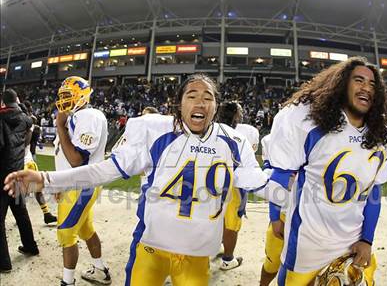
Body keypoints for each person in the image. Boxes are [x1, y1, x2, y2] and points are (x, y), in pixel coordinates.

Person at [4, 73, 286, 286]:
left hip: (197, 255)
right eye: (192, 95)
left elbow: (260, 183)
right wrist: (46, 179)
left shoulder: (233, 141)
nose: (200, 101)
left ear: (216, 106)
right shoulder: (155, 132)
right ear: (179, 104)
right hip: (153, 247)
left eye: (208, 96)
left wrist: (301, 197)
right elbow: (104, 170)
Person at [268, 57, 387, 285]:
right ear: (341, 84)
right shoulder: (307, 122)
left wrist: (367, 240)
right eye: (358, 80)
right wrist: (274, 217)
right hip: (307, 245)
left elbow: (374, 192)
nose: (366, 87)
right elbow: (280, 175)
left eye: (372, 84)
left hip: (352, 244)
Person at [53, 76, 111, 286]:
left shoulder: (89, 116)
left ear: (82, 95)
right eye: (62, 96)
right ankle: (100, 270)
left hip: (81, 184)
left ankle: (67, 283)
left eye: (68, 95)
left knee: (67, 234)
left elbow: (77, 159)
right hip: (74, 184)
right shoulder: (76, 117)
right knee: (86, 229)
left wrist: (60, 127)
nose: (64, 100)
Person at [217, 101, 260, 270]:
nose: (242, 115)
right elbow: (250, 165)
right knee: (232, 224)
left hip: (208, 183)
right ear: (235, 115)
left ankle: (210, 248)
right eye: (240, 112)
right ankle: (228, 259)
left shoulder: (208, 130)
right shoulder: (245, 134)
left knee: (213, 217)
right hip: (234, 184)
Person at [0, 89, 39, 273]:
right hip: (17, 171)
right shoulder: (24, 118)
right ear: (17, 100)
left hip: (2, 175)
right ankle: (30, 246)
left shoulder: (2, 117)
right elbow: (32, 123)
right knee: (20, 211)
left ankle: (4, 263)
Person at [22, 101, 57, 224]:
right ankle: (21, 215)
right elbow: (25, 143)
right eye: (29, 110)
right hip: (20, 160)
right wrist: (31, 128)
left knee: (38, 188)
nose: (31, 113)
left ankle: (46, 214)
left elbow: (32, 142)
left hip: (28, 158)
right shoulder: (20, 123)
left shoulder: (28, 123)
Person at [259, 134, 286, 286]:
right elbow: (272, 176)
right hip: (284, 212)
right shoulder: (272, 140)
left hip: (312, 216)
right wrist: (275, 217)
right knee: (272, 261)